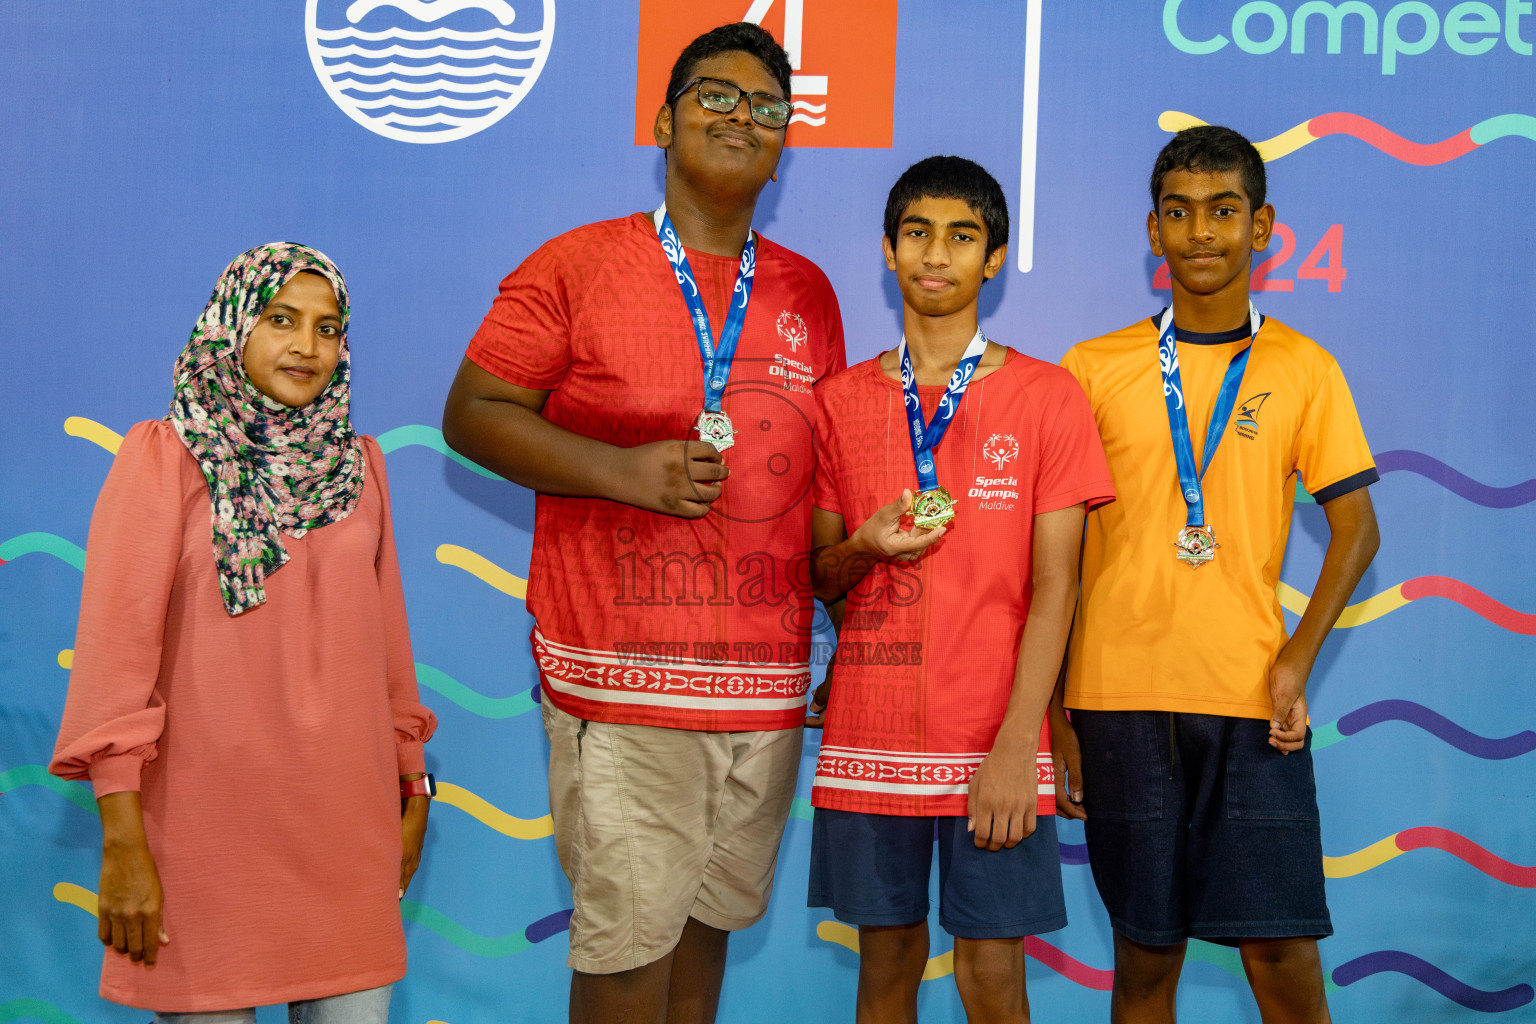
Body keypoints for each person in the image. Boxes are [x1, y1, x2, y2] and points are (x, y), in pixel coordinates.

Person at [440, 22, 845, 1024]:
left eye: (766, 106)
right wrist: (620, 471)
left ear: (784, 142)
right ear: (663, 120)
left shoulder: (808, 293)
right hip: (623, 680)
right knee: (625, 957)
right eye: (717, 94)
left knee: (705, 941)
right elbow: (471, 414)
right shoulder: (575, 267)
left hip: (762, 688)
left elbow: (821, 483)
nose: (741, 116)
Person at [50, 243, 438, 1024]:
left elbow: (388, 646)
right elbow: (114, 659)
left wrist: (413, 780)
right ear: (231, 327)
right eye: (280, 320)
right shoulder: (164, 458)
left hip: (346, 829)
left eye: (328, 329)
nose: (306, 346)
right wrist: (124, 842)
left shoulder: (361, 468)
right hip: (205, 838)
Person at [1056, 126, 1381, 1024]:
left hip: (1248, 700)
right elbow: (1058, 560)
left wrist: (1296, 660)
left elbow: (1357, 532)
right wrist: (1057, 712)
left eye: (1224, 211)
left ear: (1263, 225)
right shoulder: (1092, 368)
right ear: (1153, 231)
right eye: (1180, 213)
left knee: (1280, 955)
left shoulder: (1305, 368)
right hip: (1117, 700)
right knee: (1145, 960)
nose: (1203, 233)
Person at [806, 156, 1115, 1024]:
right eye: (917, 233)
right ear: (887, 250)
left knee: (990, 975)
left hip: (995, 740)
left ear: (994, 258)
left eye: (962, 235)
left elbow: (1059, 587)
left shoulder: (1048, 397)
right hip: (868, 737)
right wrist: (865, 547)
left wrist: (1023, 741)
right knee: (886, 968)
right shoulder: (837, 403)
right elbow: (819, 576)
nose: (935, 253)